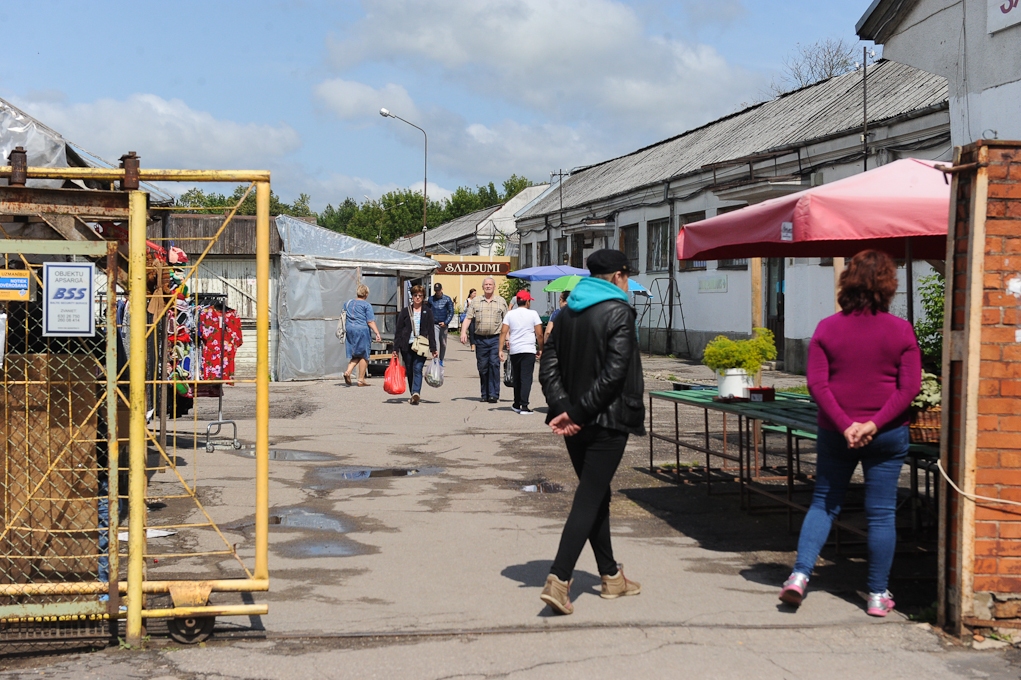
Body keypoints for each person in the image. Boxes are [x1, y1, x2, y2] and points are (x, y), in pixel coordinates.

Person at [778, 249, 921, 617]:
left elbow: (816, 385)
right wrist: (873, 424)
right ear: (888, 286)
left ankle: (798, 576)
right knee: (881, 514)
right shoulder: (901, 330)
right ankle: (876, 595)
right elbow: (909, 389)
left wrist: (846, 424)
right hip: (887, 434)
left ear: (848, 282)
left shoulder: (827, 327)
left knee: (824, 502)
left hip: (835, 431)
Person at [537, 249, 645, 615]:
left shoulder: (565, 315)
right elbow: (616, 373)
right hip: (607, 420)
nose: (628, 284)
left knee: (596, 494)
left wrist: (565, 408)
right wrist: (579, 412)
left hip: (574, 422)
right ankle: (558, 577)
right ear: (617, 276)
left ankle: (611, 576)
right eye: (627, 278)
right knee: (589, 496)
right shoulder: (619, 312)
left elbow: (547, 367)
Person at [459, 277, 507, 403]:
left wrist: (508, 338)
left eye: (490, 284)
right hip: (480, 339)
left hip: (495, 339)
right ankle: (484, 393)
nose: (488, 286)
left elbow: (507, 321)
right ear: (482, 287)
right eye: (486, 284)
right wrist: (463, 332)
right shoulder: (476, 301)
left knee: (494, 364)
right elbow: (468, 318)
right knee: (483, 367)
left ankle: (493, 394)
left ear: (494, 286)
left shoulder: (501, 301)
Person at [499, 290, 543, 414]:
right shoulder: (533, 314)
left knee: (517, 377)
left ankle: (516, 403)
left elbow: (503, 332)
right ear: (528, 302)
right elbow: (539, 334)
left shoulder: (510, 314)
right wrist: (541, 348)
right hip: (528, 349)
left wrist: (500, 349)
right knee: (526, 378)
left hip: (515, 350)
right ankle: (524, 405)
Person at [393, 284, 438, 405]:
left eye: (420, 296)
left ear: (423, 297)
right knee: (410, 369)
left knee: (417, 368)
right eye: (415, 295)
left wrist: (434, 348)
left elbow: (431, 331)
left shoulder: (427, 311)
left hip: (422, 345)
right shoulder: (405, 311)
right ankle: (413, 393)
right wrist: (395, 348)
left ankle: (416, 392)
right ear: (412, 297)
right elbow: (398, 330)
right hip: (407, 344)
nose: (418, 298)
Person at [342, 284, 382, 387]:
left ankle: (348, 371)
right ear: (366, 294)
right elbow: (370, 321)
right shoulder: (366, 305)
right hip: (362, 330)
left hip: (350, 330)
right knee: (364, 354)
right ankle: (361, 379)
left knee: (355, 354)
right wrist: (377, 333)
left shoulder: (348, 303)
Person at [427, 282, 454, 365]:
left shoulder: (447, 299)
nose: (437, 292)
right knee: (435, 342)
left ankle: (441, 359)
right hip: (434, 324)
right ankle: (435, 359)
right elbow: (428, 311)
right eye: (436, 290)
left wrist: (446, 322)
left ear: (442, 289)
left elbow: (451, 312)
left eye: (438, 290)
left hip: (443, 324)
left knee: (443, 343)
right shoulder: (431, 299)